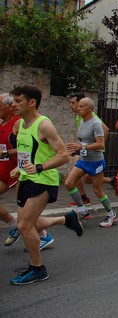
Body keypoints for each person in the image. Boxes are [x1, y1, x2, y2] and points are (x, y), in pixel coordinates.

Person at [9, 85, 83, 285]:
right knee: (30, 223)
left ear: (31, 103)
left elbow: (63, 156)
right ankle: (66, 219)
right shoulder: (21, 125)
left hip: (43, 180)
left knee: (24, 225)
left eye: (18, 101)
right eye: (13, 101)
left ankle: (37, 269)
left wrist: (40, 167)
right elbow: (28, 154)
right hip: (26, 179)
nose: (13, 105)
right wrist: (20, 168)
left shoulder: (43, 125)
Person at [65, 98, 118, 228]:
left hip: (95, 161)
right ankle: (83, 211)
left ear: (90, 109)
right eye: (79, 106)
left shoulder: (96, 123)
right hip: (83, 160)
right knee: (69, 183)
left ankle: (111, 215)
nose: (78, 108)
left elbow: (100, 144)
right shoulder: (82, 121)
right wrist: (76, 151)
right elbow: (84, 142)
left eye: (82, 106)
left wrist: (81, 147)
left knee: (97, 190)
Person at [68, 93, 118, 199]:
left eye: (73, 103)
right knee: (87, 179)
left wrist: (97, 147)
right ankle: (112, 180)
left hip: (92, 151)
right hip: (84, 150)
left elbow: (105, 129)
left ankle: (84, 198)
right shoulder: (79, 118)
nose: (71, 105)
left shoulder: (92, 117)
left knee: (74, 174)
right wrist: (78, 148)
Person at [0, 93, 21, 246]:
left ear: (9, 107)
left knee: (25, 210)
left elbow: (25, 149)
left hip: (18, 172)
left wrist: (5, 153)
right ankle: (14, 225)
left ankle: (44, 235)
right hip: (4, 171)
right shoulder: (1, 124)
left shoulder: (18, 123)